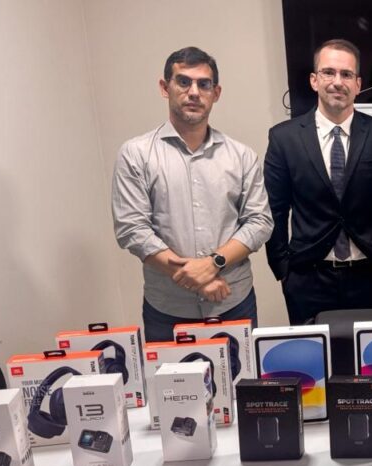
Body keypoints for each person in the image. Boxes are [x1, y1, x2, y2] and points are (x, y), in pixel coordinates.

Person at [112, 46, 274, 343]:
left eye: (204, 84)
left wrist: (212, 265)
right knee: (170, 377)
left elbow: (259, 222)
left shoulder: (242, 156)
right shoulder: (136, 154)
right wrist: (196, 280)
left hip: (233, 302)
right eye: (184, 82)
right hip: (167, 310)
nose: (194, 92)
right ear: (165, 88)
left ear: (216, 93)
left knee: (241, 375)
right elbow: (132, 229)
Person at [264, 39, 372, 325]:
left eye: (346, 74)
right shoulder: (283, 138)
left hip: (371, 274)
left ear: (358, 84)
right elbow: (274, 209)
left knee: (369, 353)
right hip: (307, 277)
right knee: (315, 354)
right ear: (314, 80)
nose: (337, 82)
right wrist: (282, 268)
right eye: (328, 72)